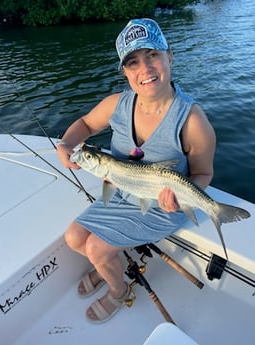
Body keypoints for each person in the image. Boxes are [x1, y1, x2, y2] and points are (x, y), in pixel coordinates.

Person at [57, 18, 216, 323]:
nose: (144, 69)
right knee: (75, 238)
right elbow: (86, 125)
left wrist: (179, 200)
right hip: (123, 190)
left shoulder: (194, 122)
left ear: (169, 56)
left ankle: (119, 289)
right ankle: (106, 264)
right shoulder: (117, 104)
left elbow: (203, 175)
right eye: (132, 62)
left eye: (152, 55)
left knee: (96, 248)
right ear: (125, 72)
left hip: (163, 205)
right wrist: (65, 144)